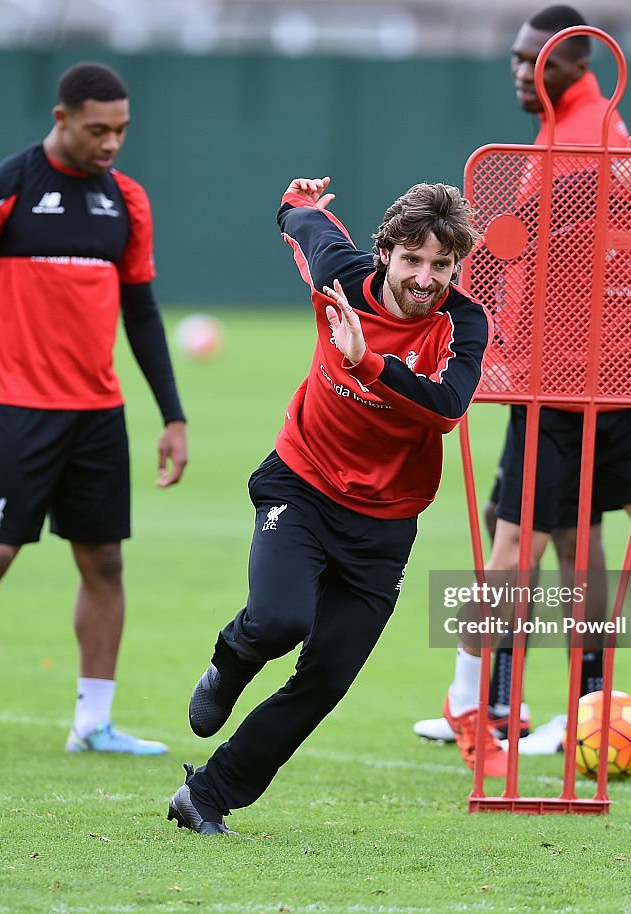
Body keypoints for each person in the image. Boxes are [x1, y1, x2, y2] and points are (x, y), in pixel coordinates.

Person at [421, 79, 631, 766]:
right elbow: (495, 253)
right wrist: (490, 343)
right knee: (518, 558)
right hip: (553, 400)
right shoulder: (577, 192)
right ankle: (465, 701)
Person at [166, 176, 487, 835]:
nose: (425, 278)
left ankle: (207, 797)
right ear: (385, 253)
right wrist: (298, 200)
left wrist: (369, 363)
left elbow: (447, 407)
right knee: (281, 620)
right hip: (302, 485)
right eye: (413, 260)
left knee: (327, 678)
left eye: (441, 266)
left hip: (386, 523)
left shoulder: (464, 322)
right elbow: (298, 219)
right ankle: (232, 659)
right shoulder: (339, 273)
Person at [0, 61, 188, 756]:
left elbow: (141, 313)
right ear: (61, 120)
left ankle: (94, 723)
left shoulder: (128, 201)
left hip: (97, 414)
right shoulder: (4, 188)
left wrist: (171, 415)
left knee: (105, 562)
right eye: (97, 130)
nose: (111, 143)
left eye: (121, 130)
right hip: (12, 410)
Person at [414, 4, 628, 770]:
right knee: (569, 541)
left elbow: (546, 227)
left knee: (520, 543)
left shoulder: (586, 128)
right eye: (514, 57)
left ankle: (491, 702)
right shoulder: (563, 123)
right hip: (555, 368)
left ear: (575, 64)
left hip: (565, 373)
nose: (519, 69)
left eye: (533, 59)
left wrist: (500, 251)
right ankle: (568, 703)